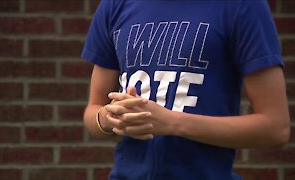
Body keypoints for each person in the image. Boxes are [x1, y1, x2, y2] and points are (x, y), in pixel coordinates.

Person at [81, 0, 290, 179]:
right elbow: (94, 111)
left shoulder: (242, 5)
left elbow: (275, 128)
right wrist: (110, 118)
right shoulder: (116, 4)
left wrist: (172, 123)